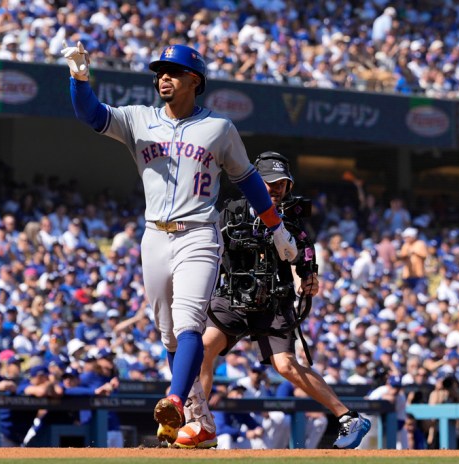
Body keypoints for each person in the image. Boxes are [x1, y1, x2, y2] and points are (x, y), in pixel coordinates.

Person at [62, 41, 298, 445]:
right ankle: (200, 423)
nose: (163, 77)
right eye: (160, 71)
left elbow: (249, 181)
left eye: (172, 71)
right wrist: (79, 80)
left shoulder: (220, 128)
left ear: (194, 79)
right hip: (154, 236)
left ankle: (173, 400)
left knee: (190, 323)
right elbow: (92, 115)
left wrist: (276, 228)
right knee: (168, 336)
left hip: (199, 234)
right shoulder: (139, 119)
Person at [174, 152, 371, 449]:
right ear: (254, 182)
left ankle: (348, 418)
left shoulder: (291, 218)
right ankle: (197, 422)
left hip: (274, 300)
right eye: (270, 183)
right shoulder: (232, 211)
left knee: (286, 366)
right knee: (202, 348)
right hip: (234, 294)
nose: (277, 188)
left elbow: (304, 253)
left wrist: (308, 277)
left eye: (282, 183)